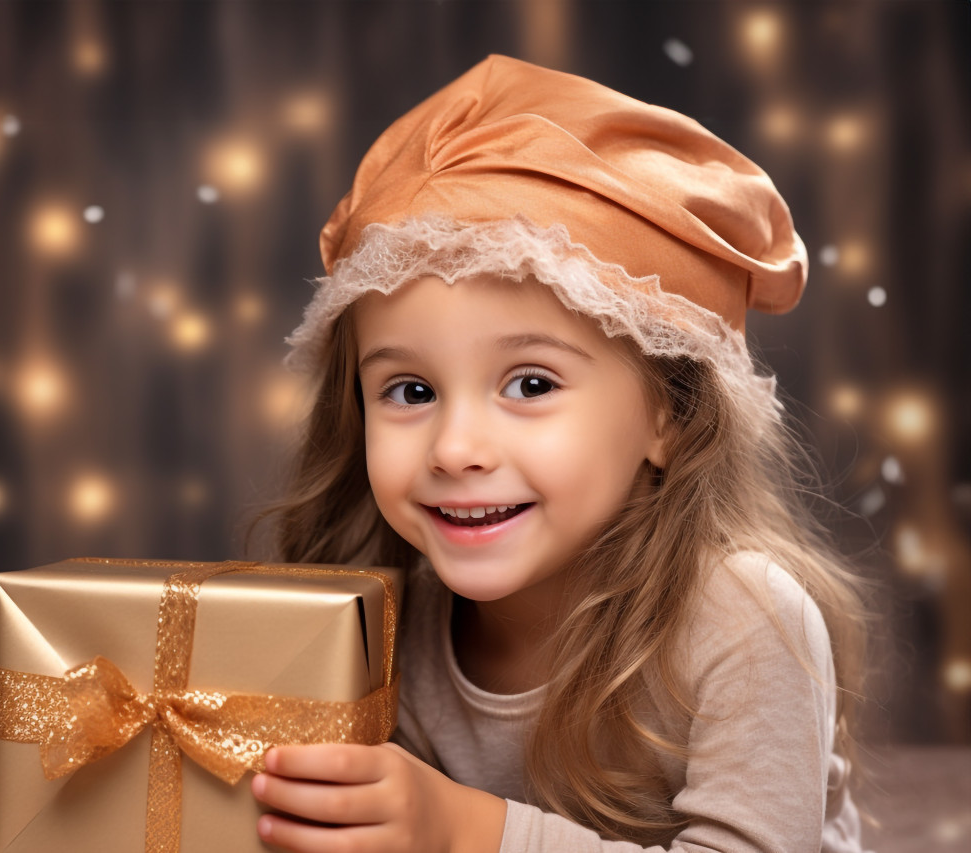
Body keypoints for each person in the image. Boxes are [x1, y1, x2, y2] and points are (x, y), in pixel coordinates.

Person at [248, 55, 870, 852]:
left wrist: (466, 828)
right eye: (410, 390)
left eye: (531, 383)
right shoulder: (394, 625)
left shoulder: (747, 621)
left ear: (670, 415)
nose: (456, 448)